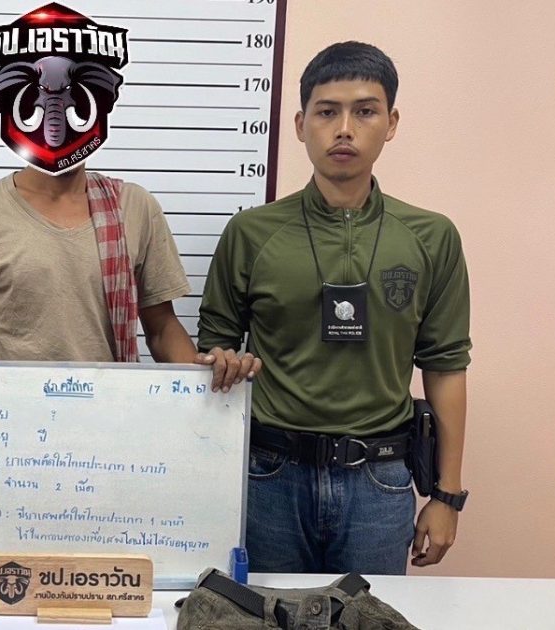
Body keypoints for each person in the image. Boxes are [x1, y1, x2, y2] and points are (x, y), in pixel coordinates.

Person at [198, 41, 472, 574]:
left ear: (391, 123)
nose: (344, 129)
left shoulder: (431, 236)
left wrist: (447, 496)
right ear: (301, 125)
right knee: (269, 610)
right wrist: (224, 360)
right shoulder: (251, 233)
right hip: (269, 478)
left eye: (365, 111)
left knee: (368, 611)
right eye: (327, 112)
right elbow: (216, 346)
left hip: (380, 482)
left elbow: (445, 367)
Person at [0, 163, 262, 507]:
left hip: (116, 441)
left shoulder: (133, 207)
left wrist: (211, 377)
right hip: (18, 445)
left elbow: (162, 328)